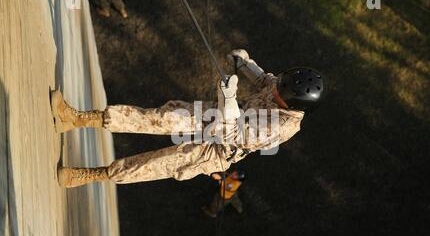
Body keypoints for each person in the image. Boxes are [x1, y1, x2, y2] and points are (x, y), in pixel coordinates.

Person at [53, 49, 325, 188]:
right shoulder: (282, 86)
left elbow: (233, 133)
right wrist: (246, 64)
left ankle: (86, 175)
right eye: (280, 84)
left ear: (291, 104)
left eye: (280, 91)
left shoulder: (283, 127)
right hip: (214, 114)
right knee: (157, 118)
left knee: (156, 164)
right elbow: (266, 80)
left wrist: (228, 99)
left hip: (218, 148)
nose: (275, 87)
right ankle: (76, 118)